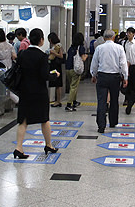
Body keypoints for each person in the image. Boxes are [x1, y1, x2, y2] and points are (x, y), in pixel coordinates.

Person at [13, 28, 60, 159]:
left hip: (24, 91)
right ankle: (49, 144)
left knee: (23, 120)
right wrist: (54, 75)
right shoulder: (42, 57)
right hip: (39, 92)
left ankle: (18, 147)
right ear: (41, 40)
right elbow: (44, 75)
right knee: (44, 119)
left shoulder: (22, 54)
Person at [90, 29, 128, 133]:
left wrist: (93, 74)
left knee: (101, 101)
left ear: (103, 37)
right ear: (114, 37)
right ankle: (113, 122)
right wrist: (125, 77)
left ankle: (101, 125)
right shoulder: (119, 48)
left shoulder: (99, 48)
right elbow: (123, 64)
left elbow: (94, 63)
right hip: (115, 77)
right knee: (114, 100)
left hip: (102, 76)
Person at [65, 32, 88, 112]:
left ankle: (74, 102)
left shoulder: (71, 48)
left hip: (68, 68)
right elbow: (83, 58)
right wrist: (86, 56)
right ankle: (69, 104)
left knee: (72, 86)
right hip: (75, 69)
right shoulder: (81, 48)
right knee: (73, 87)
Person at [123, 27, 135, 115]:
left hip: (133, 68)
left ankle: (130, 104)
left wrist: (126, 72)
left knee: (134, 89)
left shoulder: (132, 47)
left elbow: (128, 60)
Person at [47, 32, 64, 107]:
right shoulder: (55, 46)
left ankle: (58, 101)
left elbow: (61, 56)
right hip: (54, 65)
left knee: (57, 84)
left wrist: (53, 53)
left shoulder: (58, 46)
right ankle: (57, 100)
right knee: (56, 84)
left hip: (56, 66)